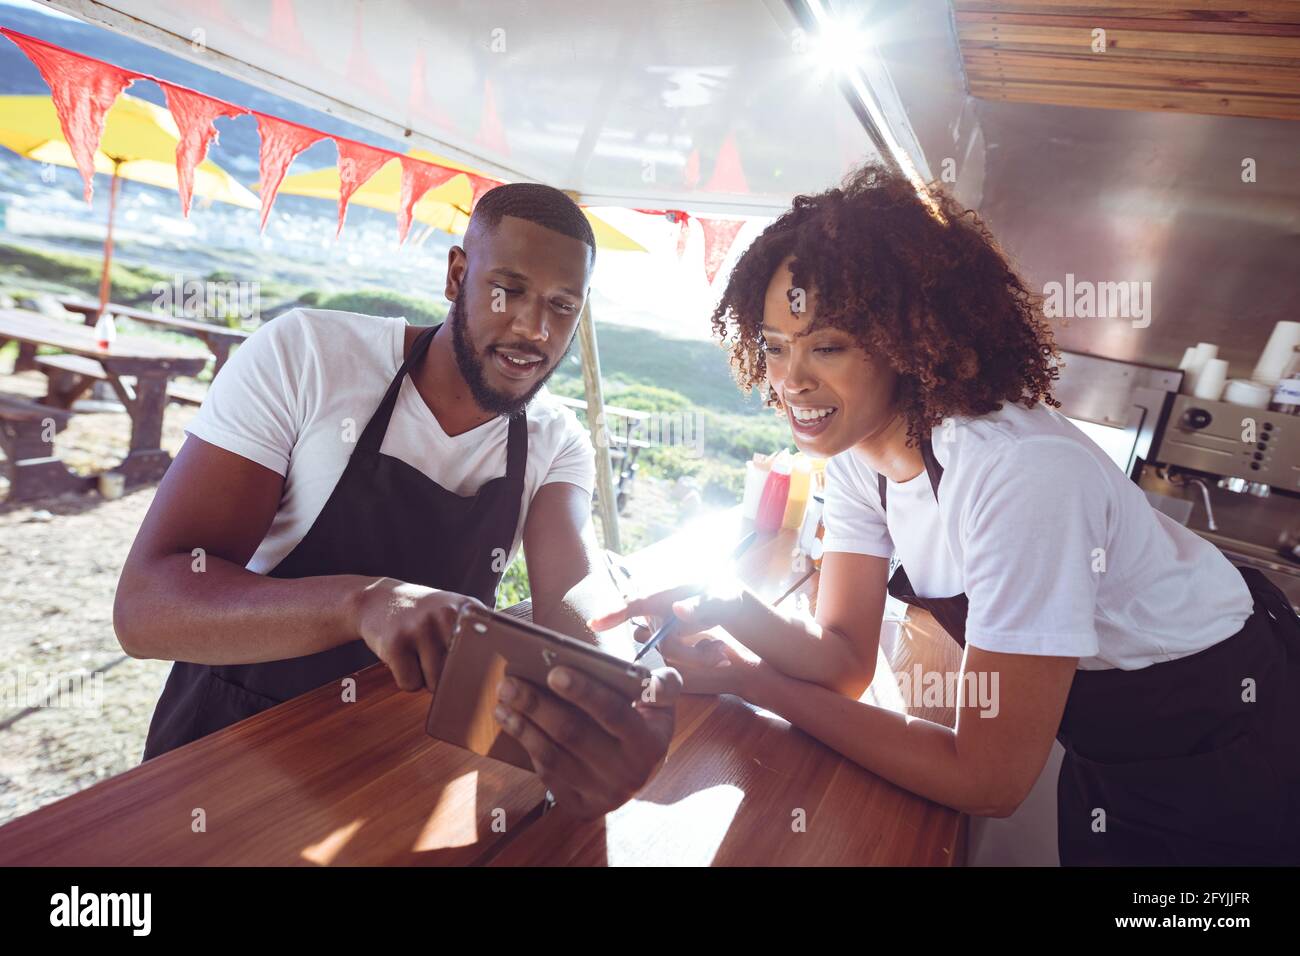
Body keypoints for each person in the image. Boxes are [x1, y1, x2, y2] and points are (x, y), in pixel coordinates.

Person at [592, 162, 1300, 864]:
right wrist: (731, 611)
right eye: (774, 346)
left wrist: (753, 682)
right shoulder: (855, 454)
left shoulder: (1019, 476)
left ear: (905, 340)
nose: (789, 379)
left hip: (1224, 732)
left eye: (827, 346)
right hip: (1108, 738)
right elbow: (844, 662)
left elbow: (987, 778)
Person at [115, 183, 680, 820]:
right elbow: (146, 609)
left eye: (561, 304)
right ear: (457, 274)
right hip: (227, 753)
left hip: (401, 772)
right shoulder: (307, 357)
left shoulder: (555, 443)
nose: (534, 328)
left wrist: (614, 689)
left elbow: (576, 598)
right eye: (510, 291)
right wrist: (364, 602)